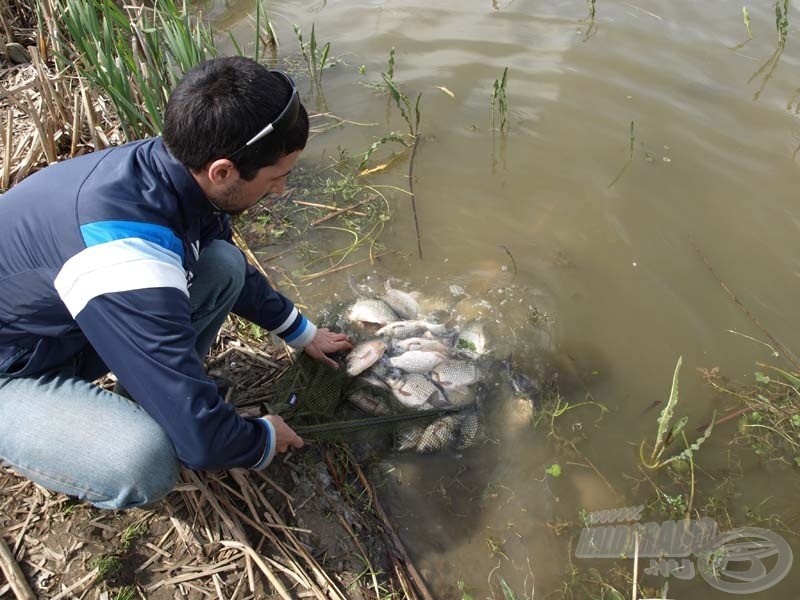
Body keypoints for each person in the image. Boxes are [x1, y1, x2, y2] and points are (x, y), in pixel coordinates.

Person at [0, 56, 352, 510]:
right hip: (13, 368)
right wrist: (260, 437)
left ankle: (148, 398)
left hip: (64, 327)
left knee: (222, 261)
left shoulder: (174, 166)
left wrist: (301, 332)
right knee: (144, 460)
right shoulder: (124, 258)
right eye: (275, 178)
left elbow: (232, 269)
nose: (280, 191)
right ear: (223, 171)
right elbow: (204, 446)